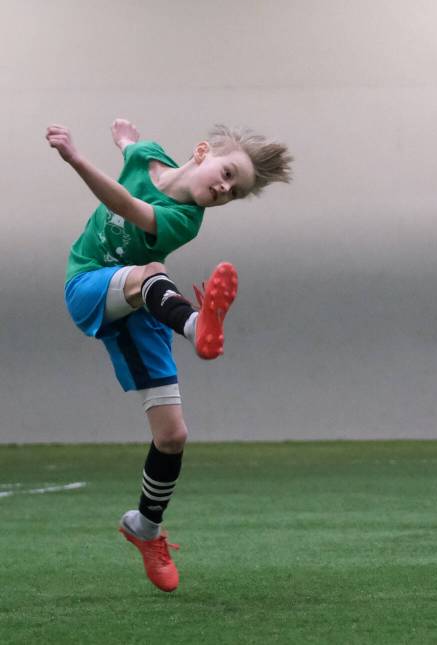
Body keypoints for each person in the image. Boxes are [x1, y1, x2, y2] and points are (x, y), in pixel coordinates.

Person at [49, 119, 293, 591]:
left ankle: (144, 527)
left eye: (233, 192)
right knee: (149, 272)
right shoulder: (150, 155)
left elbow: (123, 203)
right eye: (225, 174)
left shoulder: (185, 221)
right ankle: (194, 324)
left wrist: (77, 160)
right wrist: (123, 137)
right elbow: (134, 151)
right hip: (87, 284)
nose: (223, 189)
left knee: (173, 435)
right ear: (202, 153)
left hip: (138, 303)